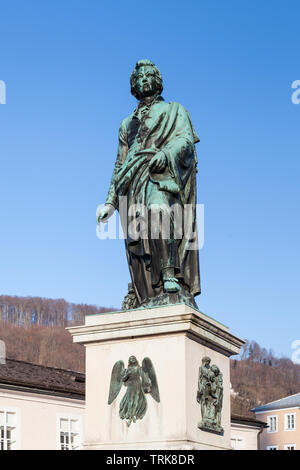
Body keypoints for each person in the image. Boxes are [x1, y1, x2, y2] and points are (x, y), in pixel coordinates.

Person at [98, 59, 200, 308]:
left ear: (157, 81)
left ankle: (169, 273)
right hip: (132, 182)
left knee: (158, 212)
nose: (144, 79)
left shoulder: (175, 110)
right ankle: (145, 291)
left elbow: (186, 141)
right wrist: (110, 201)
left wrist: (166, 154)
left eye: (148, 75)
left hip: (161, 176)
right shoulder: (126, 124)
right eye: (139, 77)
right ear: (134, 85)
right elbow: (119, 164)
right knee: (138, 236)